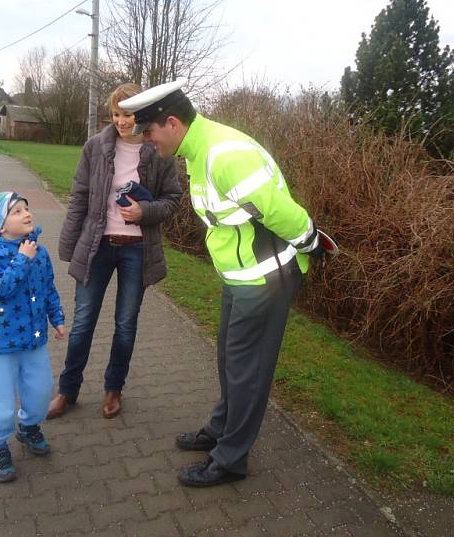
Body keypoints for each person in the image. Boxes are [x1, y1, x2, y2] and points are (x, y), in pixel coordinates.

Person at [119, 79, 328, 488]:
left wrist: (312, 242)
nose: (146, 141)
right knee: (229, 361)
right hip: (242, 277)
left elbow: (279, 211)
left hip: (266, 279)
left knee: (246, 370)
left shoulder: (223, 155)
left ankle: (231, 459)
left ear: (173, 123)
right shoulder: (199, 150)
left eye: (149, 131)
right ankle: (219, 430)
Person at [48, 83, 182, 420]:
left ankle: (113, 388)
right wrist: (67, 244)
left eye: (128, 114)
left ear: (142, 114)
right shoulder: (95, 147)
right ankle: (67, 389)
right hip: (97, 247)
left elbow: (173, 199)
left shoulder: (157, 151)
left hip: (137, 250)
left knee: (125, 323)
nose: (121, 121)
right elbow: (79, 195)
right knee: (83, 322)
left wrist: (143, 213)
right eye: (116, 114)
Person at [0, 192, 66, 482]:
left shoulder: (39, 252)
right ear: (1, 226)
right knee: (0, 399)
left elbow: (49, 287)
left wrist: (58, 318)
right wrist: (21, 261)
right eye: (16, 211)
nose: (26, 214)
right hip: (3, 343)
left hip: (34, 338)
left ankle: (28, 427)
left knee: (41, 391)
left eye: (26, 208)